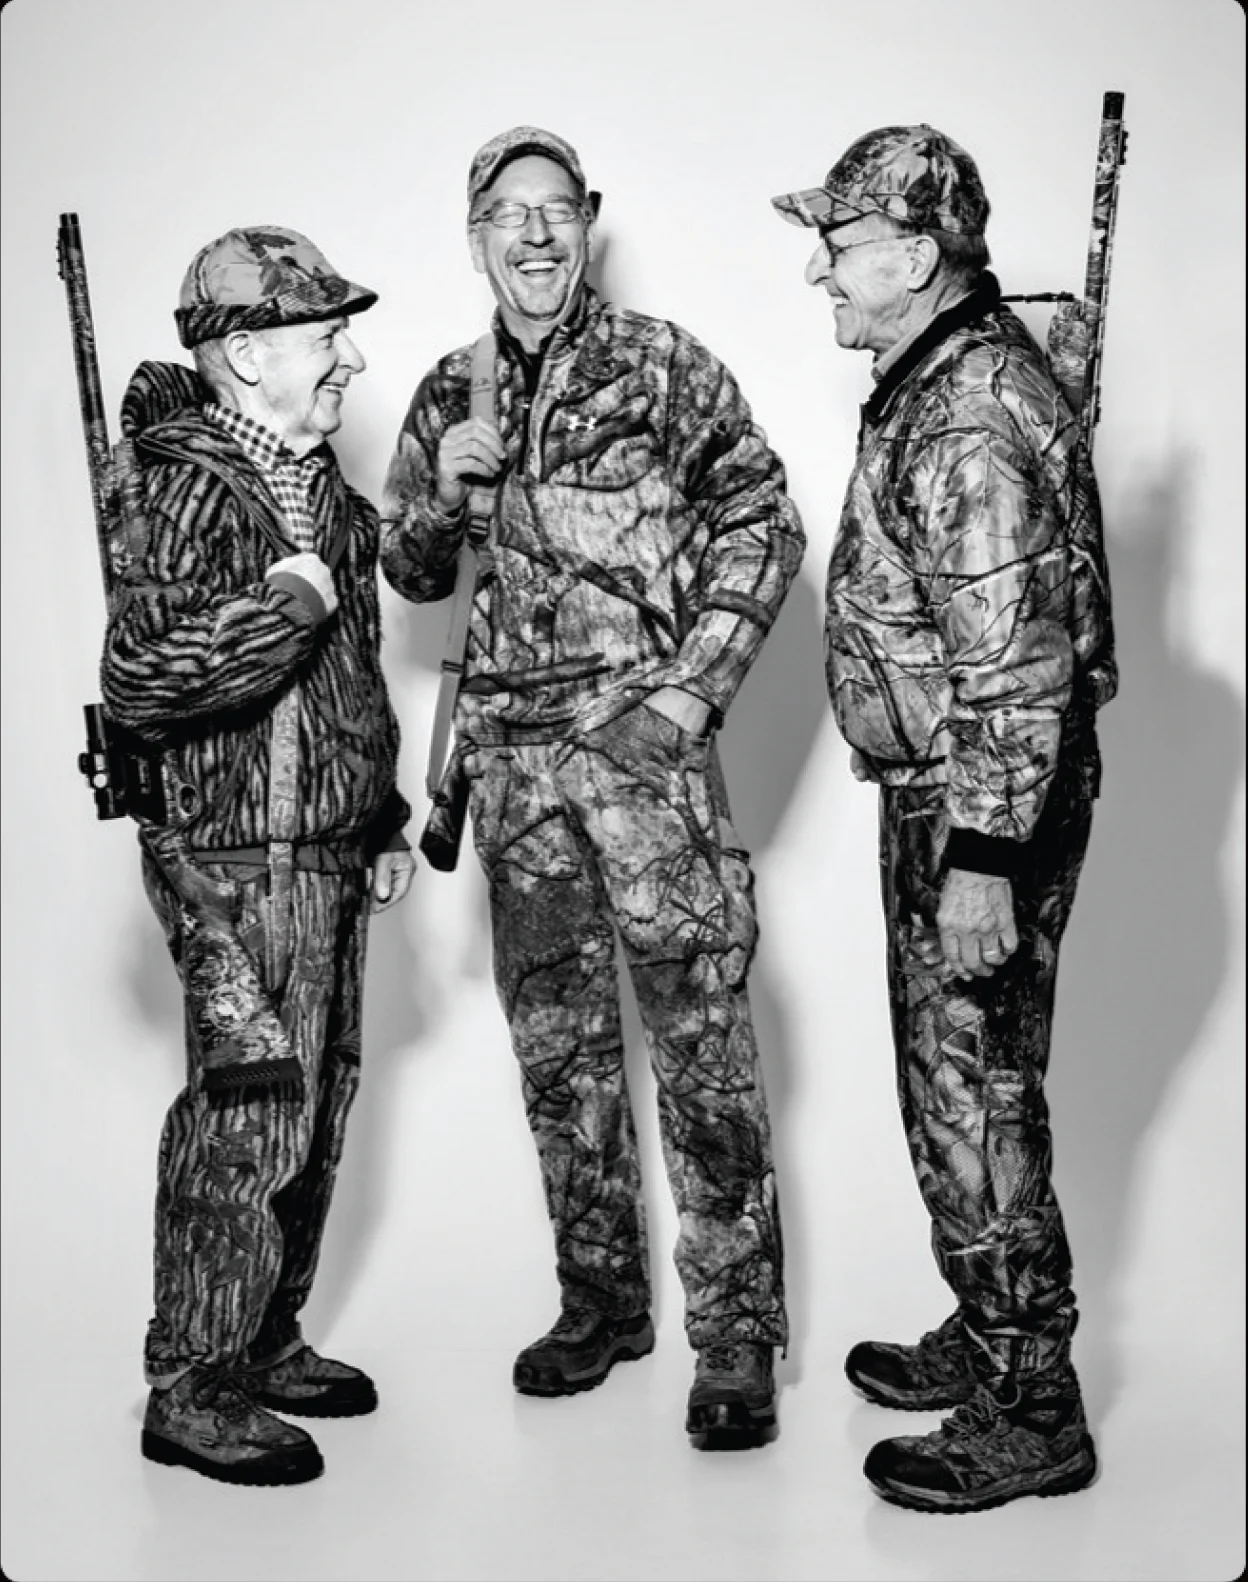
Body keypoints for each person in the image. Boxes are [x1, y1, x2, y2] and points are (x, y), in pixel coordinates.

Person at [382, 127, 804, 1448]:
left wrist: (694, 689)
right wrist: (440, 497)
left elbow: (766, 516)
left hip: (640, 762)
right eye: (508, 214)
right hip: (512, 774)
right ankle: (602, 1301)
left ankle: (734, 1335)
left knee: (700, 1039)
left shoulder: (661, 363)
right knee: (559, 1048)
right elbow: (409, 572)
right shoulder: (447, 389)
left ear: (587, 221)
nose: (535, 233)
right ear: (476, 236)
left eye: (555, 209)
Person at [773, 125, 1116, 1512]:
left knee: (977, 1101)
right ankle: (991, 1334)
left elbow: (1016, 663)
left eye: (841, 245)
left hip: (981, 805)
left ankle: (1033, 1407)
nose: (821, 270)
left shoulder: (966, 413)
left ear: (916, 257)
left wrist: (981, 856)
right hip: (958, 791)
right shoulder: (945, 375)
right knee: (958, 1091)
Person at [100, 226, 414, 1486]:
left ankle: (263, 1338)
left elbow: (353, 678)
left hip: (323, 856)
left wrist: (379, 814)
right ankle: (192, 1384)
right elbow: (142, 678)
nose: (349, 358)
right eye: (324, 335)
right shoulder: (180, 487)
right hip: (235, 864)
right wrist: (287, 603)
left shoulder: (319, 488)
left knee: (317, 1111)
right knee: (247, 1119)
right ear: (243, 354)